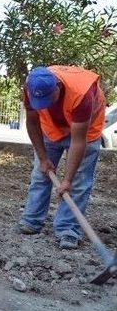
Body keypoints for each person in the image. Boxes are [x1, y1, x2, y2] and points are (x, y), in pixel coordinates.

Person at [17, 66, 105, 249]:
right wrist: (43, 158)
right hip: (52, 129)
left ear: (57, 87)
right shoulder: (30, 87)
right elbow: (32, 123)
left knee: (78, 182)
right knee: (41, 174)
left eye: (49, 99)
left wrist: (67, 179)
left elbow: (78, 141)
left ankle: (68, 229)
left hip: (86, 131)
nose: (45, 105)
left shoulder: (82, 94)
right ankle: (31, 221)